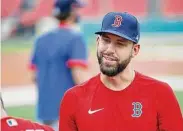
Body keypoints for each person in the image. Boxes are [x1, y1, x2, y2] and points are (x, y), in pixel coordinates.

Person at [59, 12, 183, 131]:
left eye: (120, 44)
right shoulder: (73, 98)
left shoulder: (161, 94)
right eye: (106, 40)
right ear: (97, 42)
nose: (109, 49)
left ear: (135, 50)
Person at [29, 0, 89, 129]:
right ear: (71, 11)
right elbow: (78, 75)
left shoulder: (41, 39)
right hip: (67, 112)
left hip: (44, 111)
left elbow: (35, 77)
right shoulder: (75, 38)